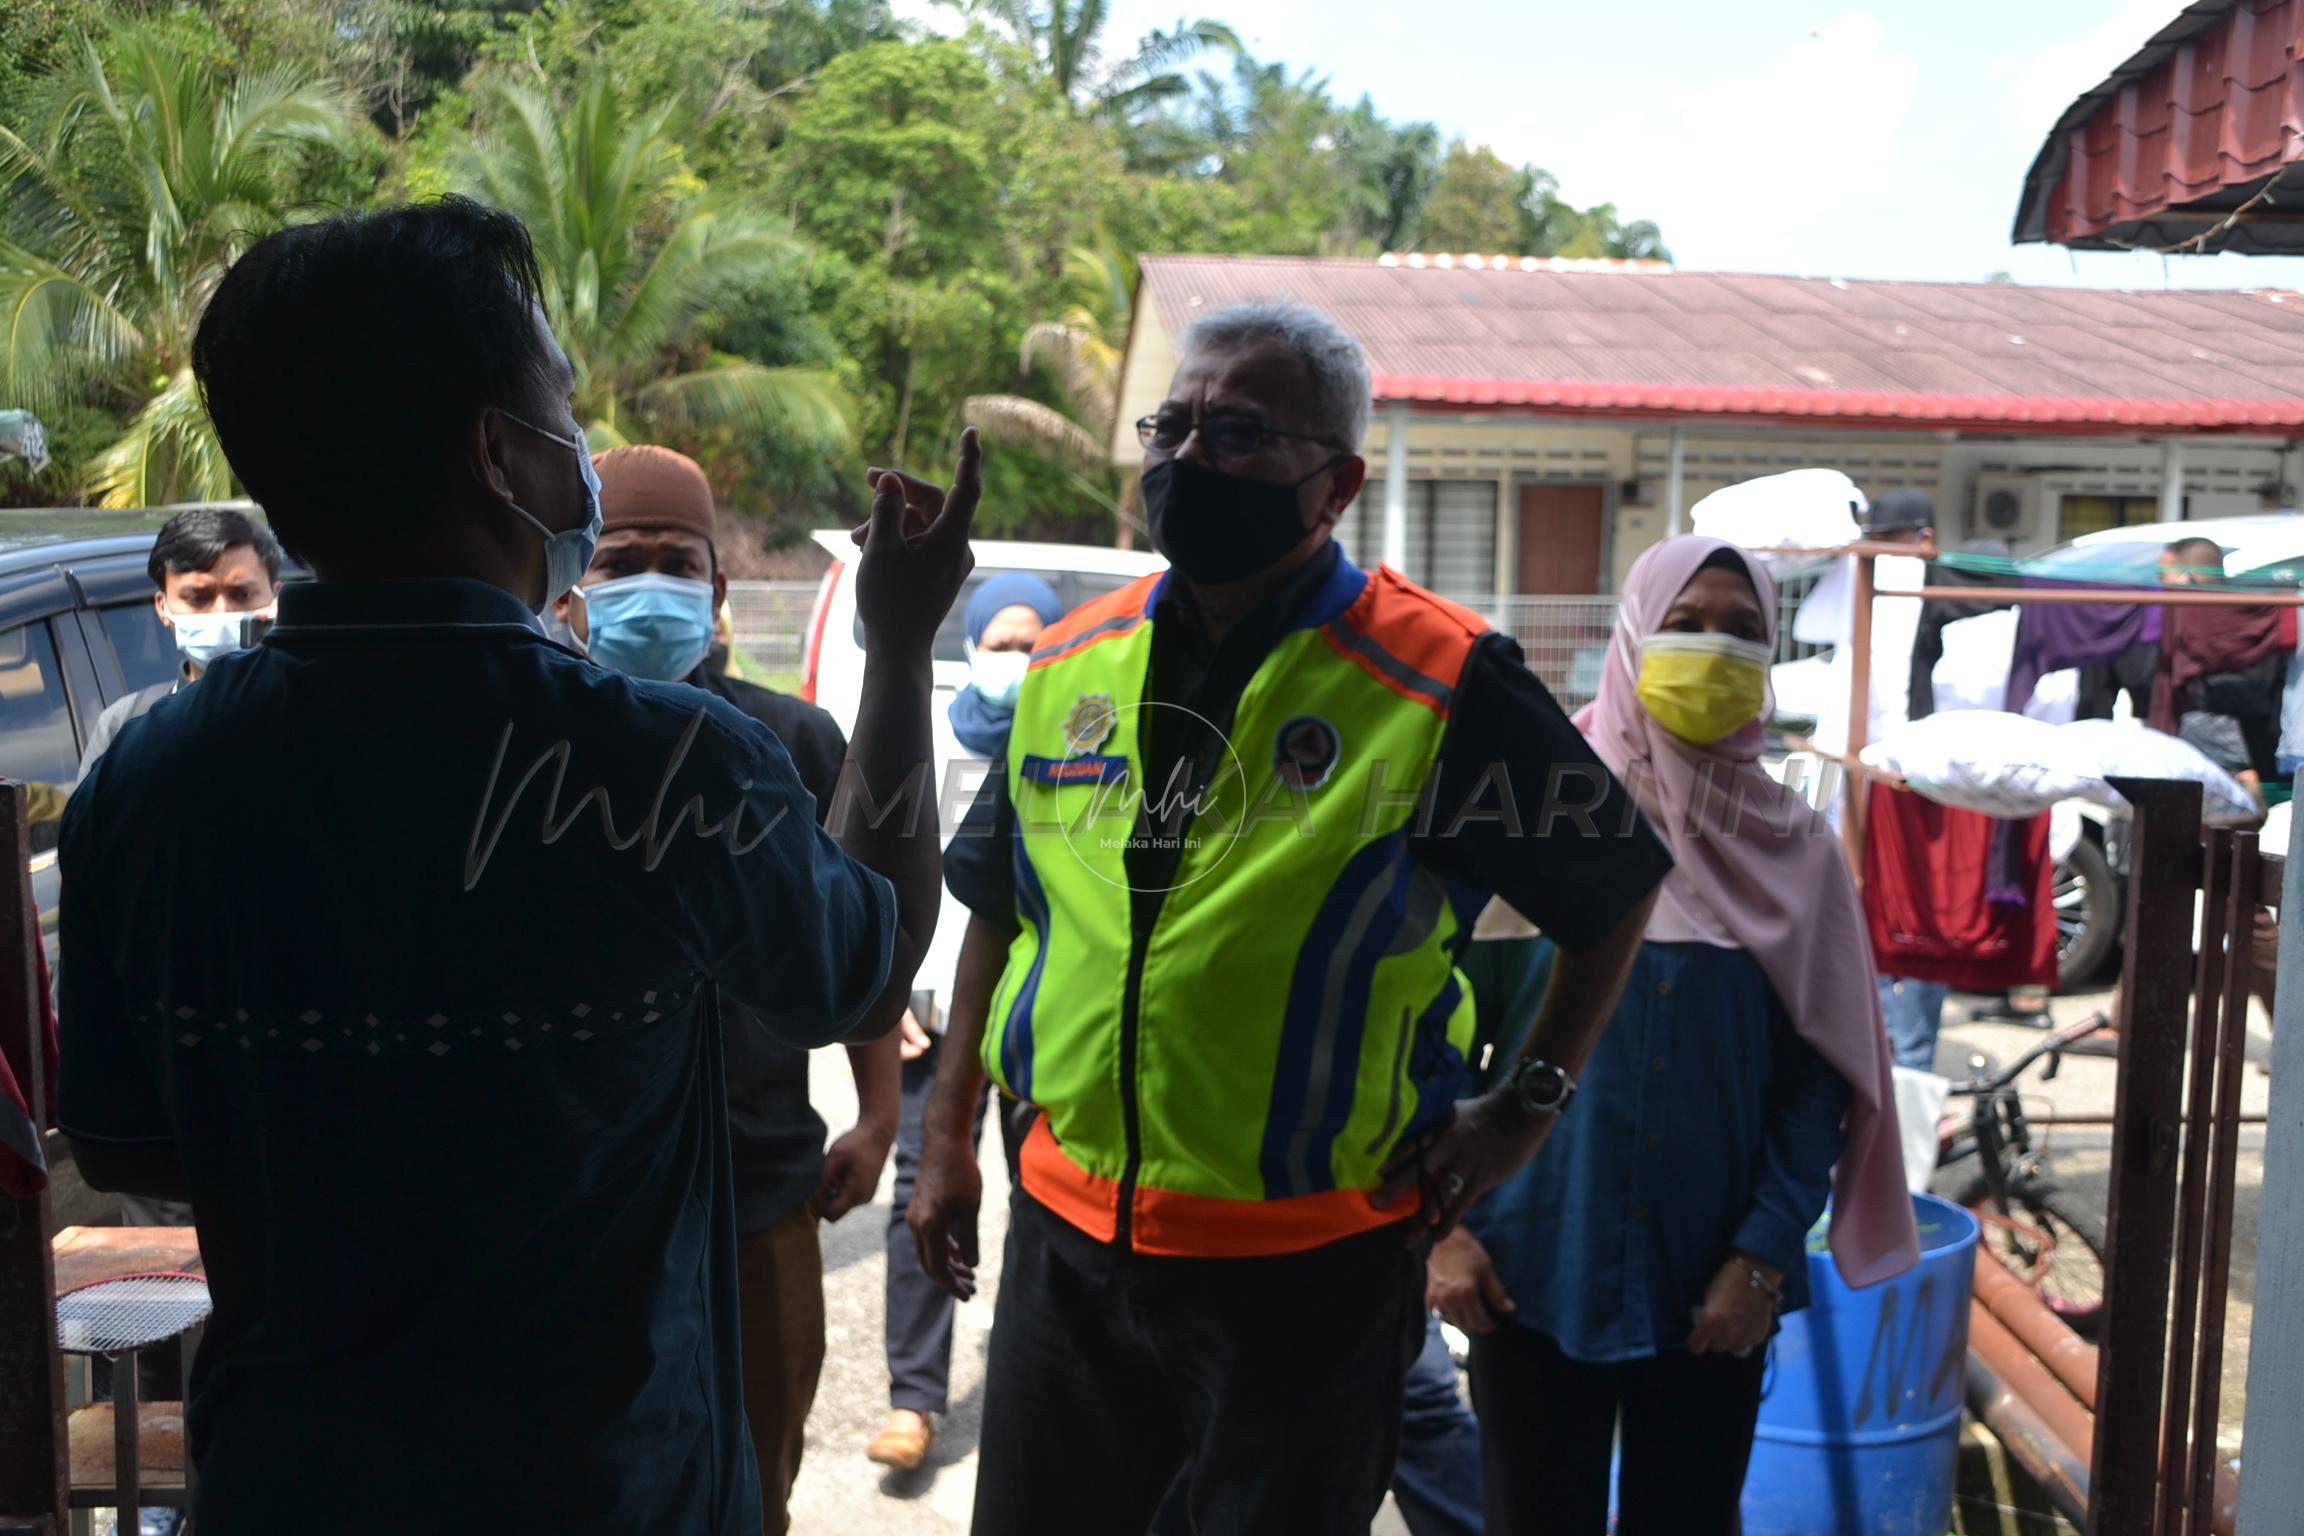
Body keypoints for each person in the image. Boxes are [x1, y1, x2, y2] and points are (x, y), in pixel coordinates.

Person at [54, 197, 972, 1534]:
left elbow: (130, 1134)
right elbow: (866, 965)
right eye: (559, 399)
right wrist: (896, 649)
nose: (582, 449)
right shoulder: (673, 764)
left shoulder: (144, 780)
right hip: (606, 1492)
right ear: (499, 450)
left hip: (286, 1488)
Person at [909, 300, 1667, 1536]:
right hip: (1071, 1243)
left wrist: (1526, 1108)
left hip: (1307, 1274)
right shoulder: (1066, 662)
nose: (1189, 458)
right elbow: (1000, 906)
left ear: (1336, 487)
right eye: (1176, 425)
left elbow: (1615, 889)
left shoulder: (1441, 676)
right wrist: (946, 1137)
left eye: (1240, 433)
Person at [1431, 535, 1918, 1536]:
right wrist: (1444, 1231)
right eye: (1685, 625)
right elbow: (1421, 1030)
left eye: (1743, 633)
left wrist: (1762, 1257)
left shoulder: (1799, 848)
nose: (1712, 650)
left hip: (1712, 1284)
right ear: (1632, 636)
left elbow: (1817, 1081)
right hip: (1524, 1270)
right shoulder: (1535, 821)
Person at [551, 443, 901, 1534]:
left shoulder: (787, 738)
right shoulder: (539, 735)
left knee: (760, 1470)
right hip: (581, 1196)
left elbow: (868, 928)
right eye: (621, 560)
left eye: (676, 560)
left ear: (718, 589)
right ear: (573, 581)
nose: (650, 582)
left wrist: (881, 1113)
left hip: (762, 1181)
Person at [868, 570, 1064, 1473]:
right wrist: (891, 988)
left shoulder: (1082, 742)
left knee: (1047, 1198)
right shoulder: (928, 741)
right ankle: (914, 1401)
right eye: (1003, 644)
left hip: (1038, 1022)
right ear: (971, 648)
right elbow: (880, 876)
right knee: (925, 1187)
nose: (1018, 661)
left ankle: (1051, 1382)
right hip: (932, 1015)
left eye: (1035, 644)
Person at [77, 507, 286, 779]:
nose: (221, 612)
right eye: (198, 598)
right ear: (163, 608)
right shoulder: (123, 725)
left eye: (243, 594)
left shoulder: (312, 711)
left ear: (275, 598)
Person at [2154, 534, 2292, 797]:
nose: (2160, 583)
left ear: (2189, 575)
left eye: (2164, 574)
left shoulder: (2199, 612)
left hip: (2219, 727)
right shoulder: (2256, 610)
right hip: (2262, 730)